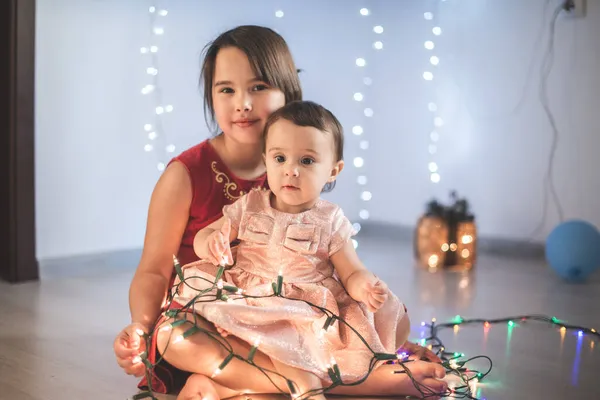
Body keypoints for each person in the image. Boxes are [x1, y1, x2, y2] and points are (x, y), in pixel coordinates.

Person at [113, 25, 448, 400]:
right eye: (226, 89)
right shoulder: (186, 175)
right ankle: (355, 383)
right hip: (216, 321)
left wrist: (366, 300)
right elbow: (154, 268)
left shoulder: (302, 163)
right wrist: (139, 328)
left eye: (258, 87)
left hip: (291, 319)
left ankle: (233, 388)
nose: (242, 103)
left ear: (287, 91)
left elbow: (332, 257)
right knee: (176, 336)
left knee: (388, 318)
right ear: (211, 96)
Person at [179, 100, 446, 400]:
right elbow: (208, 235)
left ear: (333, 170)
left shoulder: (329, 219)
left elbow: (351, 270)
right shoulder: (250, 205)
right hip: (250, 300)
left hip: (304, 311)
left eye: (306, 161)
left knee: (386, 323)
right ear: (266, 160)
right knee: (185, 328)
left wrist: (364, 288)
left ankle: (227, 385)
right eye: (280, 158)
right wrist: (210, 242)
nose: (290, 171)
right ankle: (302, 381)